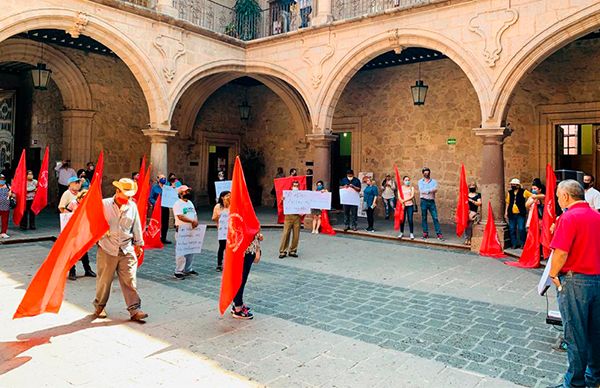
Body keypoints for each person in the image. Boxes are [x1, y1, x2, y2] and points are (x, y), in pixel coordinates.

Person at [548, 179, 600, 388]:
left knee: (575, 334)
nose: (559, 200)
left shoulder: (568, 217)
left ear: (566, 196)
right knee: (595, 333)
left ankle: (575, 383)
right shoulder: (597, 216)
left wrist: (553, 274)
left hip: (575, 280)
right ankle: (595, 376)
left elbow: (561, 251)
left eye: (559, 196)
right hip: (597, 279)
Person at [93, 178, 147, 322]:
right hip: (107, 248)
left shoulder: (132, 206)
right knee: (104, 280)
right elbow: (93, 222)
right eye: (126, 194)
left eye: (130, 195)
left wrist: (139, 244)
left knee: (130, 279)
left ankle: (135, 309)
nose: (128, 198)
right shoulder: (104, 204)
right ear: (117, 191)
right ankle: (99, 306)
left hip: (126, 247)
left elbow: (136, 225)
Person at [231, 231, 263, 320]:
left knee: (240, 278)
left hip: (243, 248)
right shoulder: (242, 217)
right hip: (244, 249)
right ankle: (238, 308)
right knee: (241, 279)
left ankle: (237, 304)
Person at [65, 190, 96, 280]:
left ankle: (87, 269)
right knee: (72, 251)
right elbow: (65, 213)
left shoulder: (88, 205)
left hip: (83, 230)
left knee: (83, 250)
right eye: (84, 197)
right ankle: (72, 271)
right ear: (80, 197)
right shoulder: (73, 203)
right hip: (73, 231)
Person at [173, 185, 199, 279]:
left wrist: (195, 221)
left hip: (190, 230)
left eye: (188, 191)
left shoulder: (190, 203)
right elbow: (180, 216)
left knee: (190, 250)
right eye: (185, 191)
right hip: (181, 230)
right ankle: (178, 271)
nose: (188, 193)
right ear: (180, 193)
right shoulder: (177, 204)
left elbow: (194, 214)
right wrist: (192, 221)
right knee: (181, 251)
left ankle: (188, 268)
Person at [505, 178, 531, 249]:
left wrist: (528, 204)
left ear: (518, 185)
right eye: (512, 184)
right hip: (511, 213)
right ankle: (514, 243)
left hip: (520, 213)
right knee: (512, 229)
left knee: (521, 228)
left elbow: (531, 196)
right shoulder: (509, 192)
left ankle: (523, 243)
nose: (512, 185)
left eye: (514, 184)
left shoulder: (524, 192)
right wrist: (506, 212)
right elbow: (507, 202)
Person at [418, 167, 444, 240]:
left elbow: (435, 189)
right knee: (424, 217)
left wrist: (427, 191)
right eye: (425, 173)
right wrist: (430, 190)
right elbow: (421, 190)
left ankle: (439, 234)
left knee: (435, 217)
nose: (427, 174)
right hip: (423, 201)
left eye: (428, 172)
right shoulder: (420, 181)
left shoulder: (434, 181)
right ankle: (425, 233)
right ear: (423, 173)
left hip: (431, 201)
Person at [279, 181, 302, 258]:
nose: (295, 187)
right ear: (291, 186)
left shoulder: (301, 195)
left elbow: (306, 203)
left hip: (297, 216)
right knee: (286, 233)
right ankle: (283, 251)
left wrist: (303, 212)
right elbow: (281, 204)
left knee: (296, 235)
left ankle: (293, 250)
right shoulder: (287, 194)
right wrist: (282, 199)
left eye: (297, 185)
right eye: (294, 185)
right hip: (288, 216)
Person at [149, 174, 171, 244]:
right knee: (157, 222)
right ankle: (155, 237)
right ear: (158, 179)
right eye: (162, 178)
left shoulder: (167, 187)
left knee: (165, 223)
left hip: (165, 207)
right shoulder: (154, 188)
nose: (163, 179)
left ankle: (163, 238)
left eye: (164, 178)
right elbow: (151, 198)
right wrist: (156, 203)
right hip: (157, 208)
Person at [212, 191, 231, 271]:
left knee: (230, 248)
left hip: (231, 230)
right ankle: (219, 264)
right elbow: (214, 218)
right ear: (222, 197)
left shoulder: (232, 206)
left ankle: (230, 263)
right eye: (227, 195)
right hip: (222, 230)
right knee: (222, 246)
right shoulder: (218, 206)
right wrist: (219, 216)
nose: (229, 197)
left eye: (230, 195)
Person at [398, 175, 415, 239]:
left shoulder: (412, 188)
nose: (407, 181)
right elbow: (399, 196)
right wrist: (402, 202)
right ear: (403, 181)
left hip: (410, 205)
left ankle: (411, 233)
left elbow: (412, 196)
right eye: (406, 180)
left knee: (410, 219)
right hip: (402, 206)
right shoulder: (401, 188)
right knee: (402, 219)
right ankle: (401, 232)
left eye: (408, 180)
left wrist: (404, 200)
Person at [0, 174, 11, 238]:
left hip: (5, 206)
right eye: (1, 179)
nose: (2, 180)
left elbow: (13, 194)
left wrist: (11, 193)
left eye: (3, 179)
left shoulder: (8, 186)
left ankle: (3, 232)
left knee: (5, 220)